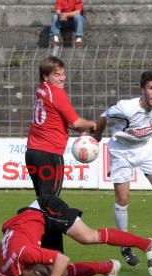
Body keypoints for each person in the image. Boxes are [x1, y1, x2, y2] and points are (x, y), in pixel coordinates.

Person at [93, 70, 152, 267]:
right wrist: (96, 137)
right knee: (122, 199)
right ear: (143, 90)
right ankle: (124, 245)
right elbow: (104, 115)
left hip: (145, 149)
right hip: (121, 152)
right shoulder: (126, 108)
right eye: (151, 88)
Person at [0, 194, 152, 276]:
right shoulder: (7, 272)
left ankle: (148, 244)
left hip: (44, 210)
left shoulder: (26, 255)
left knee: (87, 237)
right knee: (60, 273)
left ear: (33, 269)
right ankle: (108, 268)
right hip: (33, 225)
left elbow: (63, 259)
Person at [25, 55, 95, 253]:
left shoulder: (42, 90)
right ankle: (51, 253)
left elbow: (57, 119)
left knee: (44, 200)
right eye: (57, 75)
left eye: (63, 74)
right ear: (46, 77)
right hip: (49, 154)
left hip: (33, 153)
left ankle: (46, 250)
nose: (62, 78)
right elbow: (75, 123)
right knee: (50, 204)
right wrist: (94, 124)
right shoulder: (56, 93)